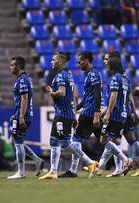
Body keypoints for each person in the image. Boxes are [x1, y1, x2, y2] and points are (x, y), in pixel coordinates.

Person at [39, 52, 98, 180]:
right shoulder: (68, 75)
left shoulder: (60, 76)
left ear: (60, 62)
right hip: (65, 113)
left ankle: (90, 163)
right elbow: (73, 97)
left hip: (63, 115)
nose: (51, 62)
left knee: (65, 143)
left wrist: (52, 93)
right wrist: (74, 114)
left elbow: (61, 92)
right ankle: (53, 171)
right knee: (53, 141)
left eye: (53, 60)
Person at [58, 52, 102, 178]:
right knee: (105, 140)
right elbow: (88, 97)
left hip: (89, 113)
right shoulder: (91, 74)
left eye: (79, 61)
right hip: (91, 111)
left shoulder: (93, 75)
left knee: (76, 139)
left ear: (86, 61)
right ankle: (125, 162)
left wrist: (96, 113)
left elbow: (98, 94)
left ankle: (73, 170)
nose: (78, 64)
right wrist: (77, 108)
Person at [6, 56, 45, 179]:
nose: (10, 67)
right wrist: (17, 113)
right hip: (22, 114)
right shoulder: (26, 78)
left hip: (24, 115)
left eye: (12, 65)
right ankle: (37, 160)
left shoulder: (22, 80)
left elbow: (24, 99)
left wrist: (21, 116)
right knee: (16, 141)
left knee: (17, 143)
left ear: (18, 66)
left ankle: (21, 172)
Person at [95, 55, 134, 176]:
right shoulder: (125, 78)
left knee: (103, 140)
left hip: (115, 115)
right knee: (114, 142)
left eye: (107, 61)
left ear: (112, 64)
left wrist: (107, 113)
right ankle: (118, 169)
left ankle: (125, 160)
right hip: (123, 114)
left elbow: (114, 96)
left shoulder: (115, 78)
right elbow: (127, 97)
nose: (105, 63)